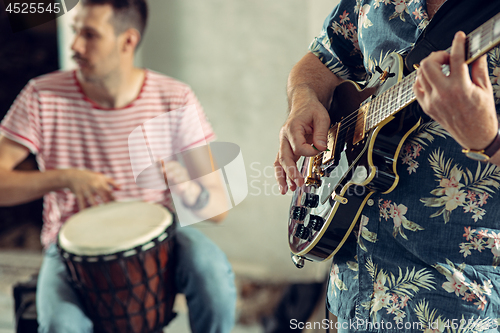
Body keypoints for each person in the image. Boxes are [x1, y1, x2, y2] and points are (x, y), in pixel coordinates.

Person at [0, 0, 236, 332]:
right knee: (59, 325)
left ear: (128, 41)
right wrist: (65, 178)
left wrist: (186, 187)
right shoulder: (41, 95)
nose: (74, 46)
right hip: (69, 248)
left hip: (159, 240)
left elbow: (219, 208)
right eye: (74, 31)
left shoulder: (175, 98)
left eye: (89, 35)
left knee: (210, 269)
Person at [275, 0, 500, 331]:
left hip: (453, 306)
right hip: (348, 295)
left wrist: (488, 139)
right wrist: (303, 97)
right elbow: (323, 60)